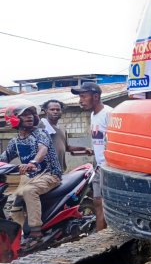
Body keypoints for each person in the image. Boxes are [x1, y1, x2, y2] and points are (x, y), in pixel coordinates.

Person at [0, 100, 62, 238]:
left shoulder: (40, 133)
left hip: (50, 174)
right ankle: (19, 236)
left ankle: (36, 232)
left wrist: (33, 162)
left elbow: (43, 149)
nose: (29, 117)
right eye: (25, 114)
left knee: (29, 191)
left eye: (31, 114)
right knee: (14, 208)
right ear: (14, 119)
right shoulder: (15, 142)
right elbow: (4, 158)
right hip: (31, 177)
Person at [71, 82, 113, 231]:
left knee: (102, 202)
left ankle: (102, 236)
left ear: (95, 96)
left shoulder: (109, 113)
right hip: (99, 165)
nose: (80, 100)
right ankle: (100, 235)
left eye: (83, 96)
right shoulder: (92, 115)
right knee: (97, 202)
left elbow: (115, 140)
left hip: (109, 166)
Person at [39, 100, 92, 172]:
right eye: (52, 109)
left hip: (59, 170)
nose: (55, 111)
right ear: (45, 111)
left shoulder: (62, 129)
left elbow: (67, 148)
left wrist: (84, 148)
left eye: (58, 109)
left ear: (61, 111)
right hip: (45, 171)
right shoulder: (42, 125)